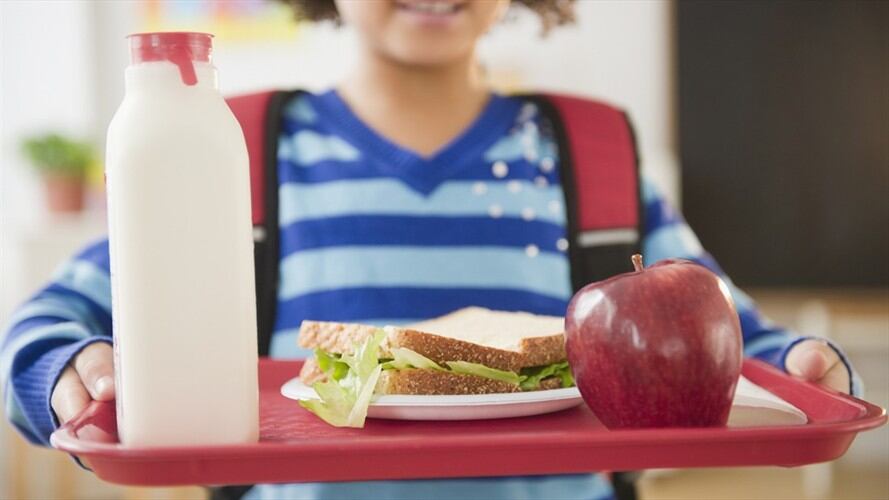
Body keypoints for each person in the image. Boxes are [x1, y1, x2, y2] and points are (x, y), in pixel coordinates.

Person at [1, 1, 861, 499]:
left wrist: (801, 364)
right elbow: (52, 319)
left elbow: (731, 343)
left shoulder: (591, 154)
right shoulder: (235, 145)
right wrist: (68, 367)